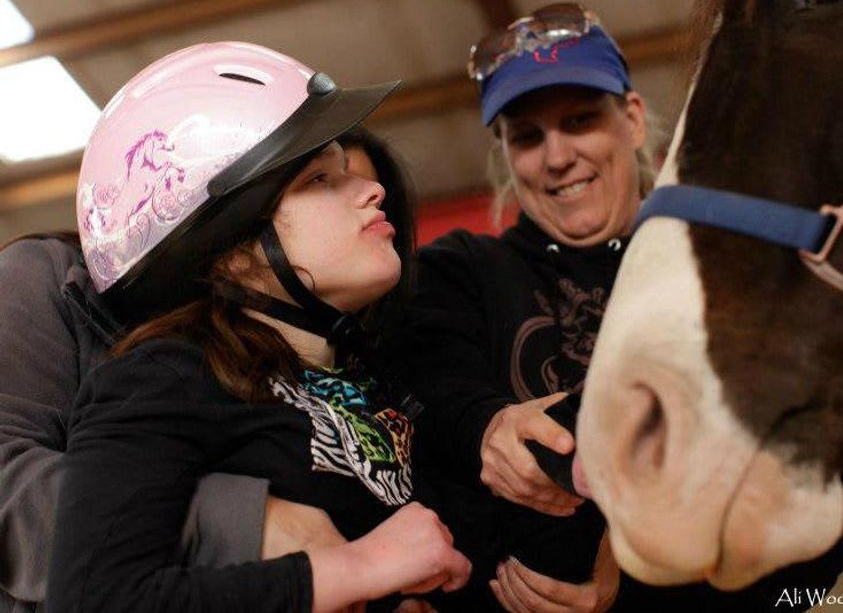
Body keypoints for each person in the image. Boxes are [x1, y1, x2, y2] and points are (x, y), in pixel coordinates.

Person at [44, 40, 607, 613]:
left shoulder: (377, 380)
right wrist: (350, 570)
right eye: (319, 179)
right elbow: (94, 596)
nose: (373, 189)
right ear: (233, 250)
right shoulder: (166, 374)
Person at [382, 2, 843, 612]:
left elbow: (815, 506)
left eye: (580, 120)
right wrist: (487, 422)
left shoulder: (718, 272)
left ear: (632, 119)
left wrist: (636, 584)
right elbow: (420, 379)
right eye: (526, 136)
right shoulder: (459, 272)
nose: (556, 157)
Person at [0, 127, 412, 613]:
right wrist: (244, 522)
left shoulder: (306, 353)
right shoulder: (54, 282)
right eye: (320, 180)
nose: (369, 197)